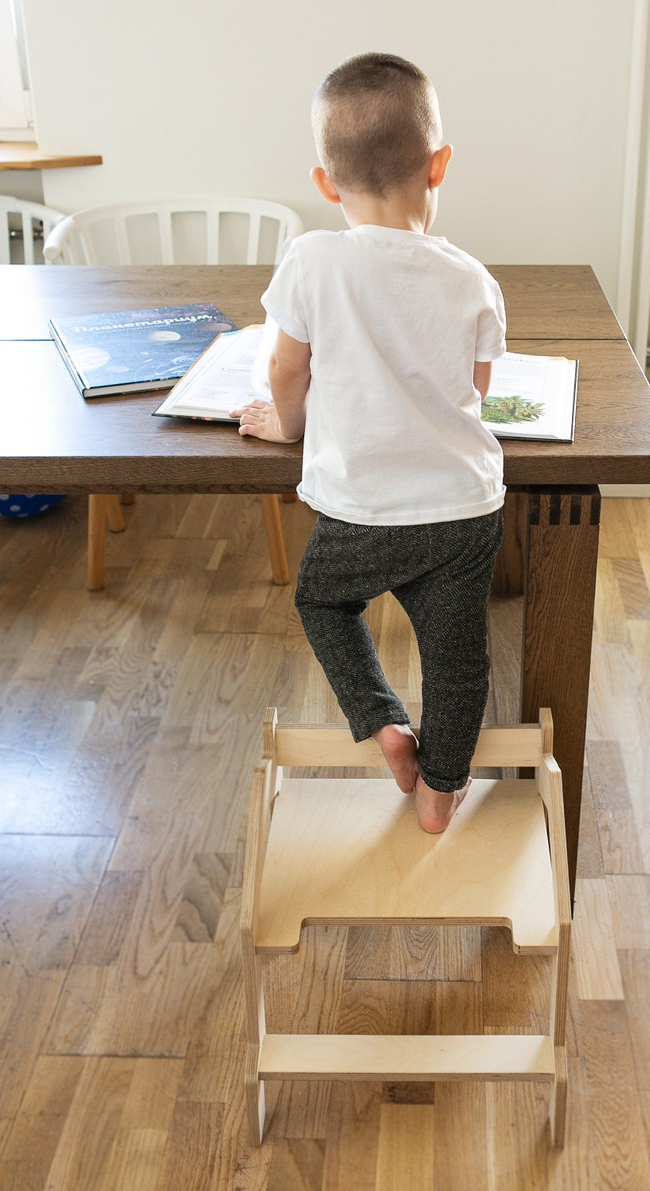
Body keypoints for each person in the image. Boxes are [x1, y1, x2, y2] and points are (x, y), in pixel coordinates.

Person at [232, 52, 507, 833]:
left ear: (325, 182)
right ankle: (439, 794)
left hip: (360, 510)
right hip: (461, 512)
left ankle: (385, 722)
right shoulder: (472, 279)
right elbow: (476, 389)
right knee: (458, 659)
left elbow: (288, 366)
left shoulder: (313, 259)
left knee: (323, 598)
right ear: (440, 164)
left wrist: (288, 424)